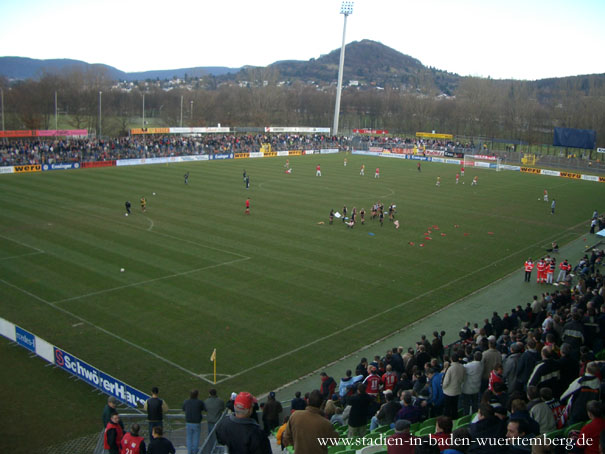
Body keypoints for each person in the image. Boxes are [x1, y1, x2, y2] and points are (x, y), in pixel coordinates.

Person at [282, 389, 339, 454]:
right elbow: (334, 442)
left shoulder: (294, 415)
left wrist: (297, 446)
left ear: (307, 401)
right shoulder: (326, 423)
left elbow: (286, 438)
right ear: (322, 404)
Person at [182, 389, 205, 454]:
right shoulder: (199, 402)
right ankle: (195, 452)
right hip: (196, 422)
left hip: (188, 422)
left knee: (189, 438)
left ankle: (189, 452)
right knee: (196, 438)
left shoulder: (186, 401)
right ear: (197, 395)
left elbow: (183, 408)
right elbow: (204, 408)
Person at [204, 389, 225, 453]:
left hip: (210, 421)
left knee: (211, 437)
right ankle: (218, 450)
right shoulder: (220, 401)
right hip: (218, 421)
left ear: (209, 394)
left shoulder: (206, 401)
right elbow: (222, 408)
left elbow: (205, 409)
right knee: (218, 437)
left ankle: (212, 451)